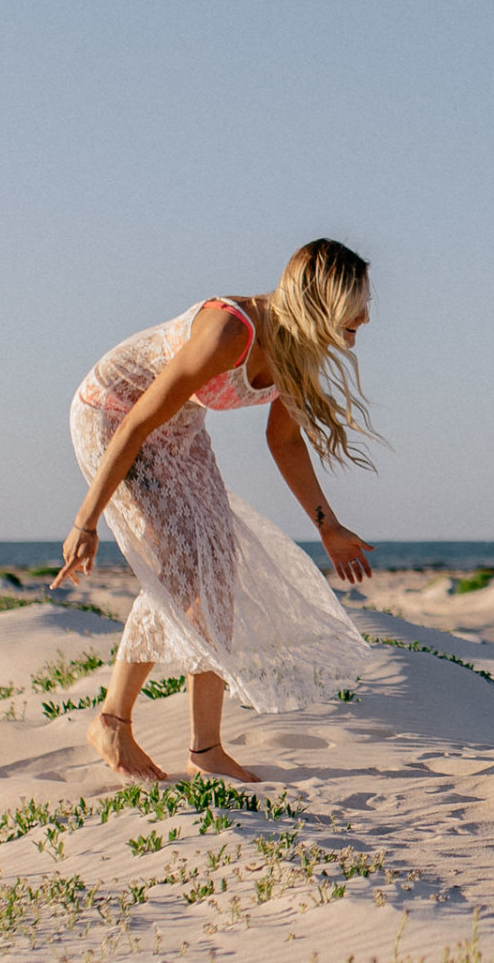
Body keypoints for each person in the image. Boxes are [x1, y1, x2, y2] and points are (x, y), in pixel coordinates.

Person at [53, 238, 379, 782]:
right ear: (320, 300)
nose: (365, 318)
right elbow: (137, 422)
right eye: (355, 304)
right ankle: (111, 721)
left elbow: (286, 443)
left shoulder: (300, 350)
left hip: (179, 429)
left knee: (218, 570)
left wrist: (329, 527)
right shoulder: (231, 331)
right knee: (182, 570)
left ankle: (205, 750)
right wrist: (86, 521)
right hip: (115, 416)